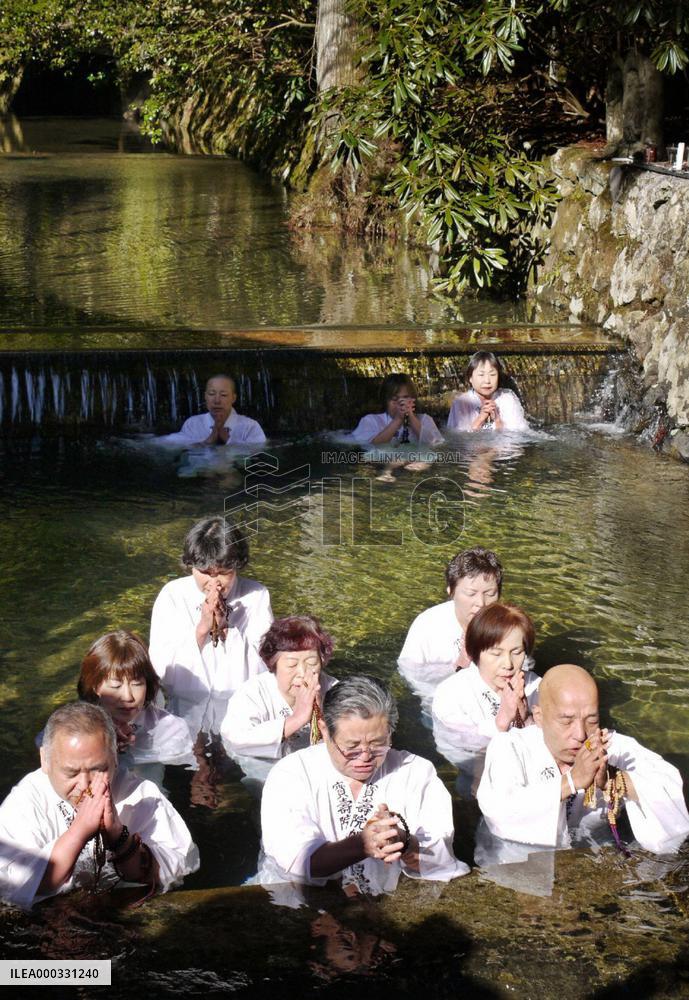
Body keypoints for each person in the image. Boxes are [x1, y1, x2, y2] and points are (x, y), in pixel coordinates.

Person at [257, 676, 468, 894]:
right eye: (352, 746)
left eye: (378, 744)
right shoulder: (291, 774)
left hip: (385, 899)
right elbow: (298, 862)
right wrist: (363, 844)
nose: (365, 757)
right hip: (295, 898)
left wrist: (403, 843)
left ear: (390, 734)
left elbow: (440, 861)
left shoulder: (416, 772)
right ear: (325, 730)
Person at [0, 702, 199, 909]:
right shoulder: (29, 798)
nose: (84, 785)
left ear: (114, 758)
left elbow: (176, 868)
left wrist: (118, 835)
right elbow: (10, 883)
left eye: (98, 770)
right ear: (45, 760)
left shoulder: (139, 794)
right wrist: (78, 832)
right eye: (71, 773)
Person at [477, 664, 689, 856]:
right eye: (566, 721)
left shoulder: (610, 746)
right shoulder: (511, 747)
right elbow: (499, 810)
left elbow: (670, 788)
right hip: (518, 859)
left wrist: (613, 779)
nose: (580, 734)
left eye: (591, 720)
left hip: (598, 852)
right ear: (539, 716)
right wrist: (572, 781)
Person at [149, 516, 271, 708]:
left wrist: (226, 630)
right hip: (185, 705)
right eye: (205, 573)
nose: (215, 583)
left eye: (223, 573)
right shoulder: (173, 595)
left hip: (241, 705)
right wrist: (202, 629)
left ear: (236, 566)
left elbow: (265, 665)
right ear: (192, 567)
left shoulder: (256, 595)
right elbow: (160, 668)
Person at [220, 615, 338, 765]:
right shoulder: (251, 693)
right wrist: (297, 719)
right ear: (273, 664)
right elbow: (234, 739)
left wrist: (322, 715)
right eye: (291, 665)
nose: (302, 673)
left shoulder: (333, 691)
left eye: (311, 662)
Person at [432, 604, 541, 757]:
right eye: (496, 654)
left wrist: (526, 719)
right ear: (474, 652)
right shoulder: (450, 693)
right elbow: (454, 746)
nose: (508, 664)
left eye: (517, 652)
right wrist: (501, 722)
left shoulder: (535, 686)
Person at [77, 630, 192, 766]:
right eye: (115, 685)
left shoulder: (172, 729)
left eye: (137, 684)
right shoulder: (73, 726)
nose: (128, 697)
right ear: (95, 686)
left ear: (148, 684)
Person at [397, 547, 503, 691]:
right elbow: (408, 672)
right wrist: (459, 665)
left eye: (490, 593)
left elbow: (524, 665)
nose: (481, 603)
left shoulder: (505, 625)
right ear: (451, 591)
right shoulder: (427, 625)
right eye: (471, 593)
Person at [157, 374, 266, 447]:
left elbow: (259, 451)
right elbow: (169, 445)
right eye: (211, 394)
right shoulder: (193, 423)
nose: (217, 400)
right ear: (205, 396)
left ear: (233, 398)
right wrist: (207, 442)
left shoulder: (250, 426)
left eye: (223, 395)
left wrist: (227, 439)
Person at [351, 374, 443, 448]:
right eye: (395, 399)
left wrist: (411, 417)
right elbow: (371, 445)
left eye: (406, 398)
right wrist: (398, 420)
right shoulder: (370, 421)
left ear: (413, 399)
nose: (401, 403)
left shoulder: (425, 419)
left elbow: (434, 444)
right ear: (385, 401)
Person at [447, 351, 529, 433]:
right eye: (481, 375)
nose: (487, 381)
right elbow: (458, 440)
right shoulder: (461, 403)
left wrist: (497, 419)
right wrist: (480, 419)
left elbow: (519, 436)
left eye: (492, 374)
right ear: (470, 378)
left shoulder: (507, 398)